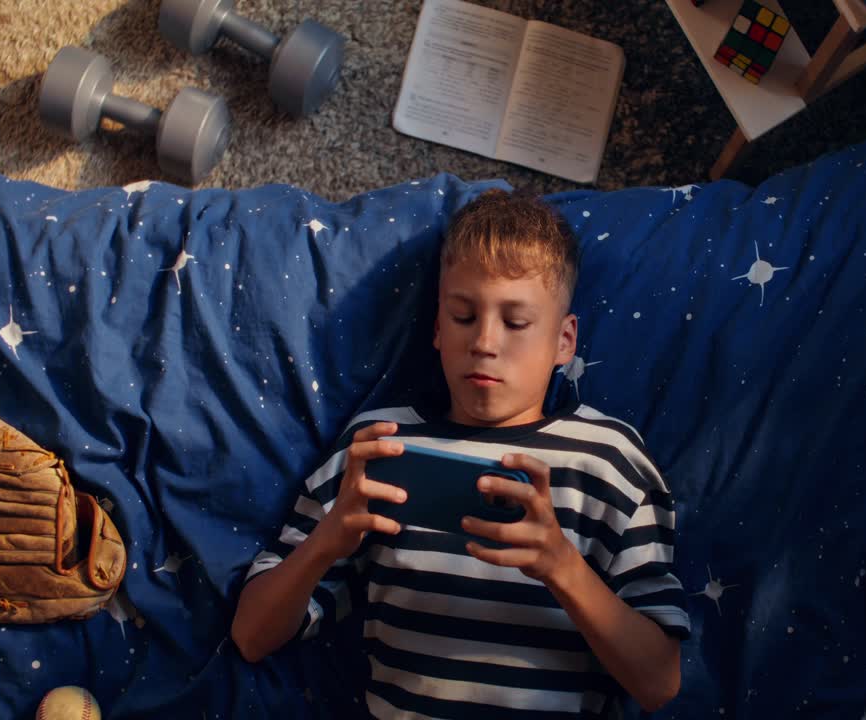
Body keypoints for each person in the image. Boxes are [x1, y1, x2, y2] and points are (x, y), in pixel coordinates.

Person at [231, 189, 690, 717]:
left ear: (564, 341)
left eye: (516, 322)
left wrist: (562, 567)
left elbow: (659, 682)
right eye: (463, 316)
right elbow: (251, 636)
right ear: (437, 329)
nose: (485, 343)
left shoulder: (609, 461)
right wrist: (326, 542)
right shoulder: (381, 447)